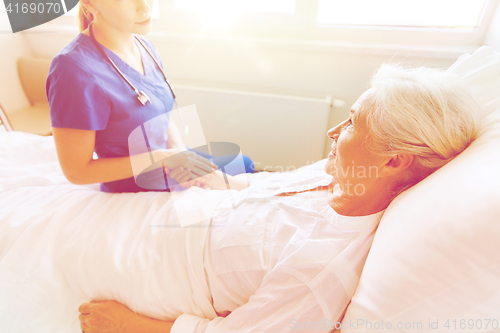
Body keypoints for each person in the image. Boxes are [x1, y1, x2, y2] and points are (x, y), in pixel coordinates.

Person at [76, 62, 480, 333]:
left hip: (164, 269)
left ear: (394, 161)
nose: (333, 132)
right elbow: (261, 191)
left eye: (353, 122)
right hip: (185, 215)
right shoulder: (335, 176)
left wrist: (129, 324)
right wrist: (217, 179)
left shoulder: (320, 267)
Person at [45, 0, 254, 193]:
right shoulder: (72, 69)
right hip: (134, 180)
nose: (145, 6)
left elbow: (161, 114)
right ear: (90, 4)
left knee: (244, 163)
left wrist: (180, 155)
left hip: (169, 160)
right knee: (240, 181)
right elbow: (77, 172)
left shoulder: (145, 46)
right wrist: (163, 159)